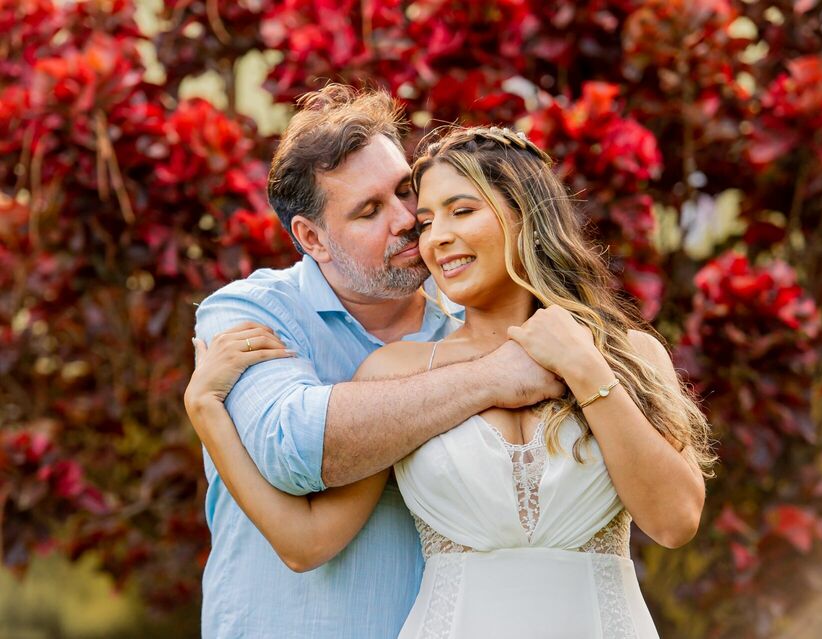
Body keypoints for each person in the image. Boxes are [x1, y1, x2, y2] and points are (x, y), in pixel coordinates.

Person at [188, 123, 717, 636]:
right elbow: (307, 541)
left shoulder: (630, 354)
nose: (432, 236)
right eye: (427, 220)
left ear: (526, 213)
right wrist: (207, 413)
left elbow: (674, 521)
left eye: (461, 211)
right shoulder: (395, 370)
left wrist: (584, 367)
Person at [187, 86, 565, 639]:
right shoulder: (252, 313)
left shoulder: (472, 318)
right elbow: (297, 450)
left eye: (405, 191)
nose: (408, 218)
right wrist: (492, 378)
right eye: (370, 211)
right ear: (312, 238)